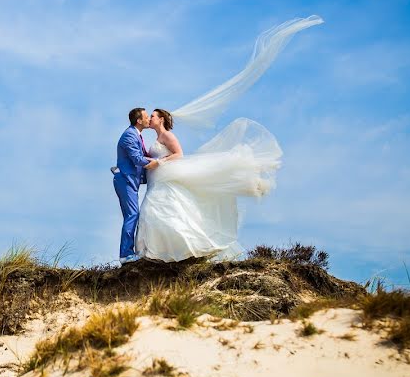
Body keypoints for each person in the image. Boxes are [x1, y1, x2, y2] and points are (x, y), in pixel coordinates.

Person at [129, 16, 325, 263]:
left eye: (153, 116)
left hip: (164, 176)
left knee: (160, 210)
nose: (150, 119)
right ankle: (155, 254)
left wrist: (160, 163)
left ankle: (177, 252)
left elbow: (179, 154)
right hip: (157, 179)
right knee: (153, 212)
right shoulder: (154, 137)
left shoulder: (167, 135)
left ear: (161, 120)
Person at [113, 108, 158, 262]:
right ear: (139, 120)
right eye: (146, 117)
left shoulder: (136, 135)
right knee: (132, 215)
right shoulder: (129, 135)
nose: (148, 119)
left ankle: (127, 252)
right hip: (125, 180)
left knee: (133, 214)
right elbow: (137, 159)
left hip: (130, 180)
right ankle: (125, 254)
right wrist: (158, 163)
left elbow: (144, 155)